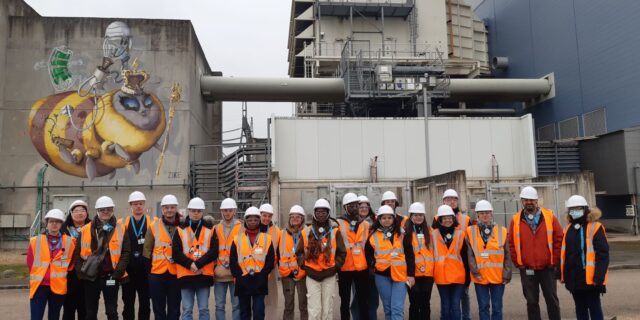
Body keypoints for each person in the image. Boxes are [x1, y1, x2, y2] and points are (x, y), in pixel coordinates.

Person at [508, 186, 563, 320]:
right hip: (527, 269)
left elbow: (559, 239)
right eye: (526, 200)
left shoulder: (549, 216)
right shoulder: (515, 220)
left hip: (547, 268)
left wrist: (553, 260)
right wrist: (518, 263)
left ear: (536, 201)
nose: (529, 202)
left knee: (552, 300)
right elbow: (511, 243)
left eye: (531, 200)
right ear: (522, 201)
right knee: (532, 302)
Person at [74, 196, 131, 320]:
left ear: (113, 210)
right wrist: (81, 273)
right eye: (102, 209)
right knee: (90, 313)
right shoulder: (85, 229)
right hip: (90, 277)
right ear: (97, 211)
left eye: (109, 209)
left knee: (111, 312)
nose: (106, 211)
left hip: (111, 276)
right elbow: (77, 254)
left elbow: (126, 252)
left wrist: (118, 272)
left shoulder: (121, 228)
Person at [296, 199, 346, 320]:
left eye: (324, 212)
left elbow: (342, 252)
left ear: (328, 213)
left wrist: (336, 267)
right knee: (314, 309)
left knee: (327, 308)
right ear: (314, 213)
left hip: (329, 275)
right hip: (312, 276)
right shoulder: (306, 231)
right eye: (318, 212)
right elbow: (299, 253)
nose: (321, 214)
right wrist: (304, 266)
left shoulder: (335, 231)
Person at [560, 195, 609, 320]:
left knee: (594, 308)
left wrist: (599, 277)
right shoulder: (568, 229)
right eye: (572, 209)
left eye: (578, 208)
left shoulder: (595, 227)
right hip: (574, 280)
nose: (574, 211)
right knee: (580, 308)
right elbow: (566, 255)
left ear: (585, 209)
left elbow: (603, 255)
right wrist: (563, 274)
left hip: (591, 280)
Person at [172, 197, 218, 320]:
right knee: (187, 309)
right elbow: (176, 253)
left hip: (203, 275)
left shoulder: (210, 229)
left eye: (198, 211)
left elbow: (214, 252)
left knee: (203, 309)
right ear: (189, 211)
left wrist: (197, 264)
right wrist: (190, 265)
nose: (196, 213)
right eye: (193, 210)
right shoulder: (180, 229)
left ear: (202, 212)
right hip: (186, 275)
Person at [365, 205, 414, 320]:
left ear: (394, 219)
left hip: (400, 276)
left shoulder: (402, 234)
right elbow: (368, 253)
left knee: (397, 308)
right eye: (384, 218)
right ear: (379, 220)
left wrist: (411, 274)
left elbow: (410, 255)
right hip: (382, 276)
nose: (387, 220)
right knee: (388, 309)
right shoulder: (373, 235)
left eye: (389, 218)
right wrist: (372, 265)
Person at [466, 200, 512, 320]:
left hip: (498, 277)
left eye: (487, 212)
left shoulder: (502, 231)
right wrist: (475, 272)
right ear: (477, 215)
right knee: (483, 306)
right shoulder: (470, 231)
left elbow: (508, 255)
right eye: (482, 213)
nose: (485, 215)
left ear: (491, 214)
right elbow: (470, 255)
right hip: (480, 277)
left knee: (497, 307)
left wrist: (506, 274)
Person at [29, 209, 76, 320]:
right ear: (47, 223)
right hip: (40, 286)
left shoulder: (70, 242)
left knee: (54, 317)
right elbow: (30, 263)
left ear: (61, 224)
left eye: (58, 221)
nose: (54, 224)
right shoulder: (35, 241)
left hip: (58, 286)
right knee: (36, 317)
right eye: (51, 221)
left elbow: (71, 263)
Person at [230, 207, 276, 320]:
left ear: (259, 221)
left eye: (255, 220)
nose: (253, 222)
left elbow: (270, 259)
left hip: (259, 280)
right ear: (245, 221)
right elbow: (233, 260)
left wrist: (264, 274)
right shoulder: (237, 239)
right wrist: (239, 275)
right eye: (250, 220)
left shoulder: (267, 238)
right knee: (244, 313)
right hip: (242, 280)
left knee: (259, 312)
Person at [142, 195, 181, 320]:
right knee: (158, 308)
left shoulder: (183, 225)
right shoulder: (154, 226)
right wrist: (150, 272)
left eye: (172, 207)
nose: (169, 210)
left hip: (176, 272)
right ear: (162, 209)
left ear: (176, 208)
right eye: (166, 207)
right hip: (157, 273)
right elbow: (147, 250)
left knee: (174, 308)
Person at [337, 193, 370, 320]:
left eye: (356, 205)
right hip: (345, 267)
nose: (354, 208)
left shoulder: (365, 224)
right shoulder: (338, 223)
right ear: (345, 207)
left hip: (362, 268)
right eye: (350, 206)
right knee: (344, 300)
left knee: (363, 300)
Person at [432, 204, 468, 320]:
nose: (447, 220)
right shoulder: (432, 235)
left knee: (455, 305)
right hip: (441, 276)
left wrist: (468, 277)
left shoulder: (460, 234)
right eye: (444, 218)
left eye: (450, 217)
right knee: (446, 304)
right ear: (440, 220)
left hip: (458, 276)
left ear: (453, 219)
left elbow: (465, 256)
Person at [121, 191, 153, 320]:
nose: (138, 206)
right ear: (131, 205)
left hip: (145, 269)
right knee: (128, 302)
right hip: (128, 269)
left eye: (140, 204)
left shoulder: (152, 222)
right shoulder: (123, 223)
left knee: (145, 302)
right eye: (135, 204)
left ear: (144, 205)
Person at [442, 189, 473, 320]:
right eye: (448, 199)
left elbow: (471, 243)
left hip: (462, 261)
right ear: (443, 201)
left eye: (454, 199)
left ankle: (466, 317)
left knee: (464, 294)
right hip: (445, 263)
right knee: (448, 298)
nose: (452, 201)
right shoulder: (437, 218)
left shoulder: (466, 219)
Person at [350, 195, 378, 320]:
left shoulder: (376, 222)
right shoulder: (352, 223)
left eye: (366, 206)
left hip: (372, 266)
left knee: (372, 297)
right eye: (361, 206)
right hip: (357, 266)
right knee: (357, 296)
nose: (363, 208)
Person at [405, 202, 434, 320]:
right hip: (412, 274)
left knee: (425, 303)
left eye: (421, 215)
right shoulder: (406, 232)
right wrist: (409, 274)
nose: (418, 217)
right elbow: (406, 254)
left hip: (427, 274)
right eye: (416, 215)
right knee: (415, 303)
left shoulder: (429, 231)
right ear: (411, 216)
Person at [278, 205, 308, 320]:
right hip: (287, 275)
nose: (295, 219)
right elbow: (280, 255)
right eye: (292, 217)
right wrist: (287, 272)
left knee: (303, 305)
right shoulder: (282, 233)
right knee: (288, 305)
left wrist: (302, 271)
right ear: (289, 218)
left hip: (303, 275)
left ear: (302, 219)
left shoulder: (307, 232)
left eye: (298, 217)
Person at [61, 200, 90, 320]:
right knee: (69, 307)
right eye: (76, 211)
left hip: (87, 272)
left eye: (83, 210)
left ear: (87, 213)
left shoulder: (92, 228)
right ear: (71, 213)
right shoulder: (63, 230)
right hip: (69, 273)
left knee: (85, 307)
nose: (80, 213)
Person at [214, 198, 242, 320]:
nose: (227, 213)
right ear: (221, 211)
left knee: (237, 305)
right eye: (225, 210)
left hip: (236, 272)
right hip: (219, 273)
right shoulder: (215, 228)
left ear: (234, 211)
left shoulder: (242, 227)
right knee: (219, 305)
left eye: (230, 210)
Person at [259, 203, 280, 320]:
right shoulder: (253, 228)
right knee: (256, 297)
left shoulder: (276, 231)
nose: (266, 218)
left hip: (270, 269)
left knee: (271, 297)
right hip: (254, 268)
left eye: (269, 216)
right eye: (264, 215)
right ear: (260, 215)